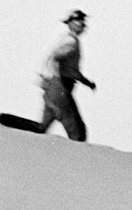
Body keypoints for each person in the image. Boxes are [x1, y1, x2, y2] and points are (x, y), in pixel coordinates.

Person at [36, 10, 96, 141]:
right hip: (59, 89)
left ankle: (4, 121)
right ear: (70, 23)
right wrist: (51, 77)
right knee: (78, 134)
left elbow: (71, 69)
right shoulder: (71, 42)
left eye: (83, 21)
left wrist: (86, 82)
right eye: (79, 21)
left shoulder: (68, 39)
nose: (82, 24)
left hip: (54, 89)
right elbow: (54, 57)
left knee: (41, 128)